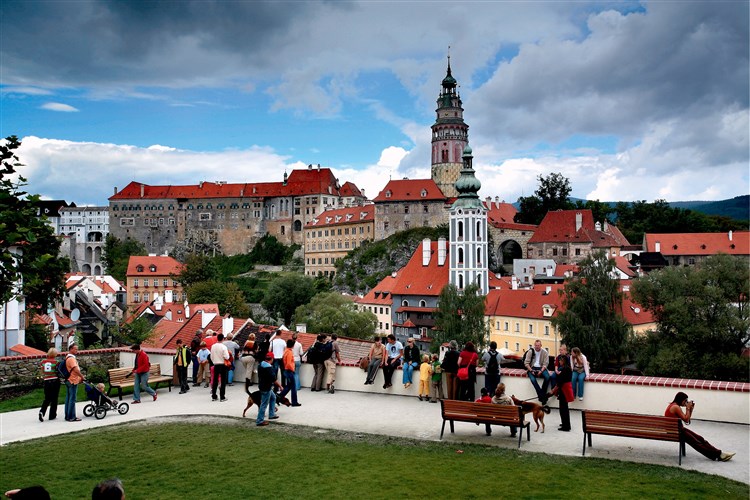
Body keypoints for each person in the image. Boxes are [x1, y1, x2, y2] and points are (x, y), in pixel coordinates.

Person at [664, 392, 735, 461]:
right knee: (696, 442)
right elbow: (686, 420)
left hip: (677, 430)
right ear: (680, 399)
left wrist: (690, 409)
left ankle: (719, 453)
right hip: (677, 432)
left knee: (700, 439)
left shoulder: (673, 405)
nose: (686, 402)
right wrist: (688, 408)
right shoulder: (675, 407)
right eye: (685, 400)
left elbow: (687, 419)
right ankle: (718, 455)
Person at [256, 352, 282, 426]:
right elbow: (274, 379)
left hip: (262, 385)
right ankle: (259, 420)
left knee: (273, 397)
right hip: (266, 387)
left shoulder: (260, 364)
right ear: (272, 359)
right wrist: (280, 386)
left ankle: (272, 414)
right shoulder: (269, 368)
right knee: (264, 404)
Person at [278, 339, 302, 407]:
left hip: (286, 370)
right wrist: (292, 369)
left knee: (288, 386)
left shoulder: (286, 351)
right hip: (289, 370)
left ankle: (279, 397)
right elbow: (288, 363)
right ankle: (294, 402)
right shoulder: (289, 352)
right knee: (293, 387)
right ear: (293, 345)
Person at [39, 348, 60, 422]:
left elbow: (42, 370)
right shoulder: (56, 362)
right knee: (54, 398)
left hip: (46, 381)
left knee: (47, 398)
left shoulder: (43, 362)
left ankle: (42, 411)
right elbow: (58, 371)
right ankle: (52, 415)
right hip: (54, 380)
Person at [64, 343, 84, 421]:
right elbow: (76, 369)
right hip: (73, 380)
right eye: (75, 349)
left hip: (68, 380)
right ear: (71, 349)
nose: (77, 350)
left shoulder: (67, 357)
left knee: (68, 398)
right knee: (72, 399)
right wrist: (82, 377)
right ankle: (71, 417)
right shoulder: (71, 359)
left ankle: (67, 415)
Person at [556, 354, 574, 432]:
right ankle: (565, 423)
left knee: (563, 409)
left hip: (564, 390)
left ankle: (566, 426)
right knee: (564, 408)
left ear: (564, 361)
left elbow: (561, 381)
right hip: (564, 389)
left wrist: (553, 390)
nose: (559, 361)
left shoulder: (565, 369)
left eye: (560, 360)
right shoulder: (567, 368)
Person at [210, 333, 230, 402]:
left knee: (215, 380)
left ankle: (214, 396)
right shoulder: (223, 347)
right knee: (223, 381)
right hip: (222, 364)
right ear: (223, 339)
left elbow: (211, 356)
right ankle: (222, 396)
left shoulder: (213, 346)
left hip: (216, 364)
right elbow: (227, 357)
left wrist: (214, 361)